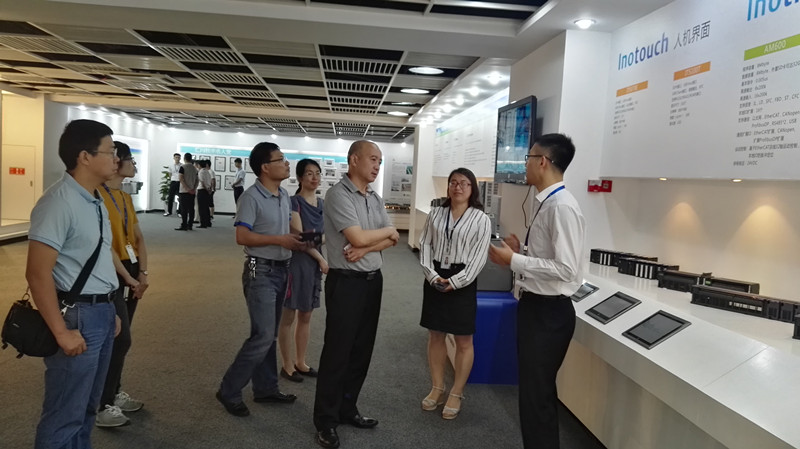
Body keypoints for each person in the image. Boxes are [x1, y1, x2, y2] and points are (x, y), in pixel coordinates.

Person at [26, 119, 121, 449]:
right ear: (85, 157)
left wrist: (109, 309)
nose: (116, 159)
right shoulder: (59, 202)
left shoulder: (94, 200)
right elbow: (37, 274)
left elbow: (98, 260)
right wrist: (61, 332)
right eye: (110, 152)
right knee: (65, 412)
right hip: (76, 316)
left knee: (87, 408)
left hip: (100, 312)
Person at [488, 133, 586, 449]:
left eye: (528, 158)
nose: (525, 165)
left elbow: (567, 268)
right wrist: (524, 252)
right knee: (533, 393)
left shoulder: (562, 207)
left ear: (542, 161)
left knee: (537, 396)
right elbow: (551, 259)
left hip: (549, 313)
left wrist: (514, 260)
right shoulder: (549, 203)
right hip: (537, 309)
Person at [313, 140, 399, 449]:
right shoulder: (338, 195)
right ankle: (325, 420)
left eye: (380, 161)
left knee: (362, 350)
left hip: (373, 281)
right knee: (338, 352)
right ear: (353, 160)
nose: (377, 165)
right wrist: (377, 236)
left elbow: (393, 238)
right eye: (373, 159)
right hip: (346, 283)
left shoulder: (374, 197)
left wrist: (365, 248)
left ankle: (347, 408)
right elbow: (360, 235)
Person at [216, 142, 306, 418]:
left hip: (281, 269)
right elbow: (242, 236)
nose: (287, 164)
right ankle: (229, 389)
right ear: (265, 167)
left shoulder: (283, 194)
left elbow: (284, 229)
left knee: (269, 333)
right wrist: (280, 240)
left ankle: (266, 388)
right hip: (260, 271)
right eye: (281, 159)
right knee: (263, 335)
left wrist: (299, 239)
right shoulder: (251, 198)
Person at [418, 167, 491, 420]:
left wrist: (456, 282)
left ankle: (456, 392)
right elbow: (425, 245)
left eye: (464, 183)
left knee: (463, 340)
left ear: (472, 189)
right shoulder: (436, 213)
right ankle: (437, 387)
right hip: (436, 277)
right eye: (453, 183)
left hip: (463, 280)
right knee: (435, 334)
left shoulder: (481, 219)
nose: (457, 187)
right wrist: (432, 275)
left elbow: (479, 257)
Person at [96, 141, 150, 427]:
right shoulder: (98, 196)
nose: (134, 165)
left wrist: (143, 272)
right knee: (120, 338)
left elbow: (138, 237)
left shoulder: (125, 197)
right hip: (111, 273)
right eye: (131, 159)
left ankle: (113, 392)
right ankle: (103, 403)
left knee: (122, 337)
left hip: (130, 269)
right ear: (117, 162)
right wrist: (129, 278)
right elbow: (105, 244)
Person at [278, 159, 328, 383]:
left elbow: (326, 236)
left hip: (313, 265)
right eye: (309, 173)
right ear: (299, 177)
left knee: (306, 314)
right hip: (297, 263)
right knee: (288, 315)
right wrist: (320, 255)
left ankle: (301, 361)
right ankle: (287, 364)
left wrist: (316, 241)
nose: (314, 177)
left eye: (317, 173)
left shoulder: (322, 204)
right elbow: (300, 238)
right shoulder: (293, 202)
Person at [176, 153, 198, 231]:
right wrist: (193, 189)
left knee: (184, 209)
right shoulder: (195, 168)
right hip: (192, 191)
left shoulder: (182, 167)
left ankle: (184, 225)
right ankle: (190, 225)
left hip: (184, 191)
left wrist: (187, 189)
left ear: (184, 159)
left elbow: (181, 179)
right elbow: (197, 180)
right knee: (191, 208)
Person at [197, 159, 213, 228]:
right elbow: (211, 181)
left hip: (202, 190)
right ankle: (208, 222)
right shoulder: (207, 171)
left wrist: (206, 189)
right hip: (208, 190)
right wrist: (209, 190)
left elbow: (202, 182)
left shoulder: (200, 172)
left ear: (199, 165)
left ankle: (203, 223)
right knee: (206, 207)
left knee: (201, 208)